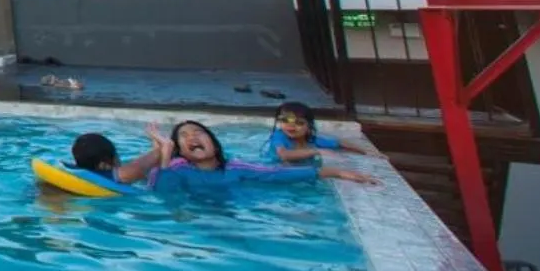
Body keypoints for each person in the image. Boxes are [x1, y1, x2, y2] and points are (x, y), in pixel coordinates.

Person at [152, 119, 377, 190]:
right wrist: (163, 154)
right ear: (179, 151)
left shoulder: (237, 169)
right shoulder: (177, 169)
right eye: (184, 135)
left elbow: (278, 174)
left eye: (199, 132)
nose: (192, 137)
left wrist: (337, 172)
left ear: (215, 144)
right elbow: (160, 190)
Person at [262, 101, 372, 164]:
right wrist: (315, 151)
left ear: (309, 127)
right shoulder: (279, 136)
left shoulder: (311, 140)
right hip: (275, 167)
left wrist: (366, 152)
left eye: (299, 123)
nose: (291, 125)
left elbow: (339, 143)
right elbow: (284, 155)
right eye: (285, 120)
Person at [66, 131, 164, 186]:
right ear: (104, 165)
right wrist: (161, 148)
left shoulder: (70, 170)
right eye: (116, 155)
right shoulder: (121, 176)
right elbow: (137, 167)